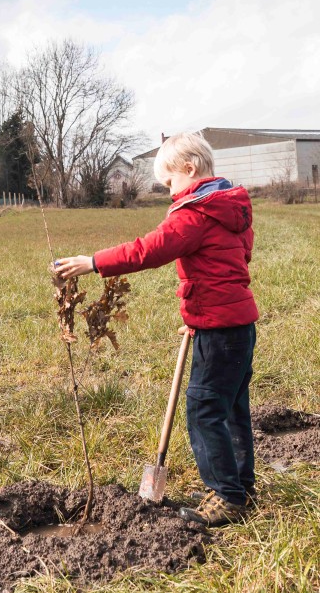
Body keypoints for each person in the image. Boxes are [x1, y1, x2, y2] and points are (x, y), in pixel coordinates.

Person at [55, 132, 258, 528]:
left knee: (204, 409)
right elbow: (232, 263)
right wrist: (198, 313)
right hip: (235, 326)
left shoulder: (196, 213)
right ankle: (237, 486)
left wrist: (92, 261)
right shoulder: (230, 208)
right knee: (232, 408)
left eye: (169, 183)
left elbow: (148, 250)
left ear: (189, 169)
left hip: (220, 331)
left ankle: (228, 496)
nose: (169, 192)